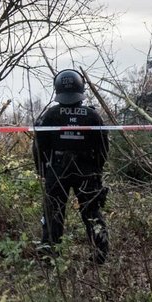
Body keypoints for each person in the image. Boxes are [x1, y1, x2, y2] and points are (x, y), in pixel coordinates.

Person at [33, 69, 110, 264]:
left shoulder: (50, 115)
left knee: (53, 213)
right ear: (80, 88)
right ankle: (99, 256)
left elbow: (39, 147)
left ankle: (49, 258)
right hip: (87, 170)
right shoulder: (93, 116)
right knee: (92, 213)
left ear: (57, 89)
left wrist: (43, 171)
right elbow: (103, 148)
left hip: (57, 170)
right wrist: (97, 170)